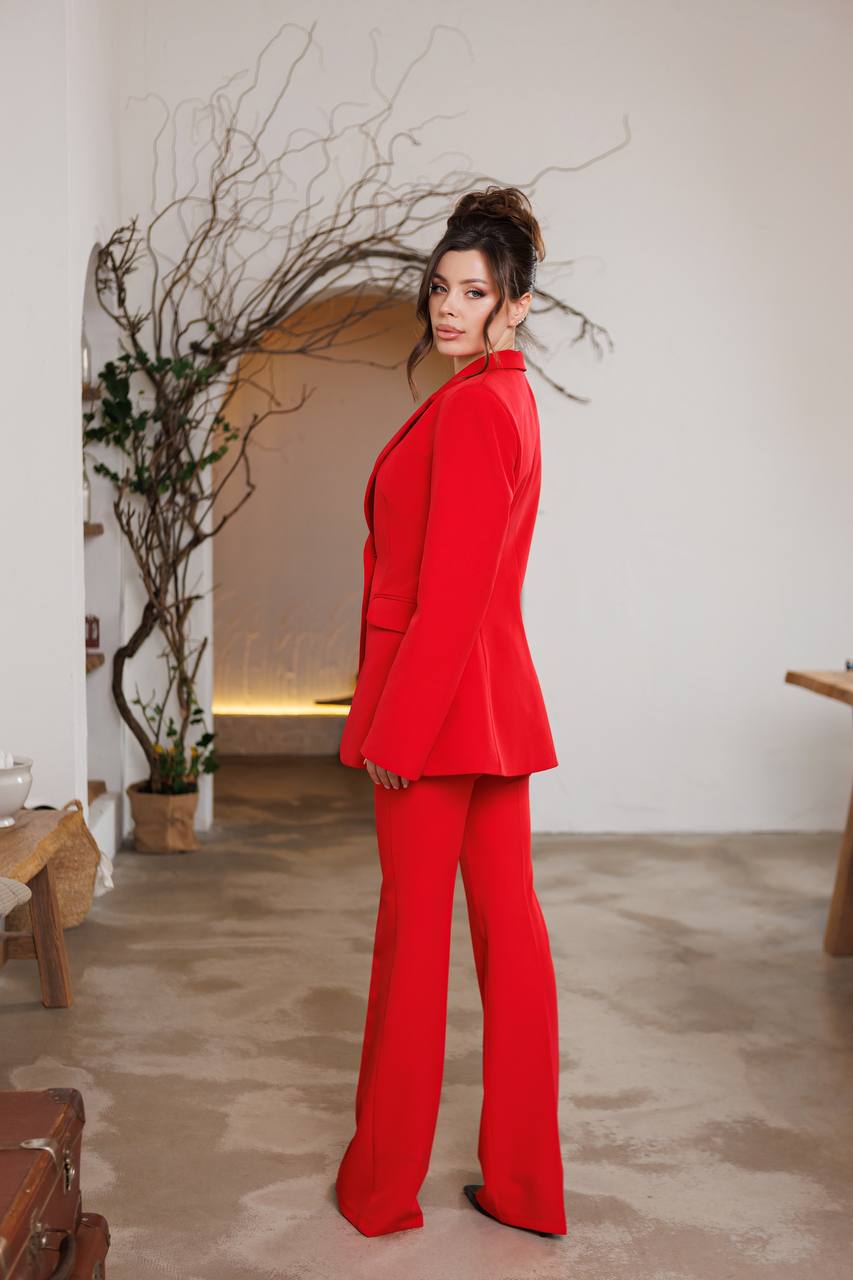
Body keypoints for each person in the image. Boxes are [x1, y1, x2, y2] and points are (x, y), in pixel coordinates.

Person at [335, 185, 567, 1239]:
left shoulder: (475, 406)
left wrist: (396, 729)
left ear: (514, 305)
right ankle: (524, 1184)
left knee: (412, 950)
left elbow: (452, 590)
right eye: (439, 287)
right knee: (510, 943)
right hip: (494, 710)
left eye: (473, 292)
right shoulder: (505, 396)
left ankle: (380, 1190)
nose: (448, 307)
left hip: (434, 719)